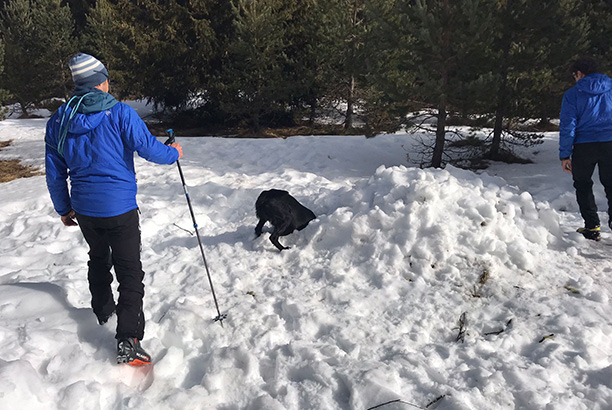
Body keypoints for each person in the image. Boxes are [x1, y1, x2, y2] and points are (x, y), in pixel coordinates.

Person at [45, 53, 183, 366]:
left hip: (85, 210)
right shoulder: (120, 112)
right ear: (101, 81)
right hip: (119, 208)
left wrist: (63, 208)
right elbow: (150, 149)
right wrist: (173, 153)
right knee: (130, 270)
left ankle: (103, 312)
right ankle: (129, 340)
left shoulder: (60, 119)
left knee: (98, 257)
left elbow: (54, 171)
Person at [559, 56, 612, 242]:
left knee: (583, 184)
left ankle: (592, 226)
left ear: (579, 73)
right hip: (610, 142)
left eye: (574, 75)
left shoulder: (573, 94)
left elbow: (568, 125)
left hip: (584, 146)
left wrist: (565, 154)